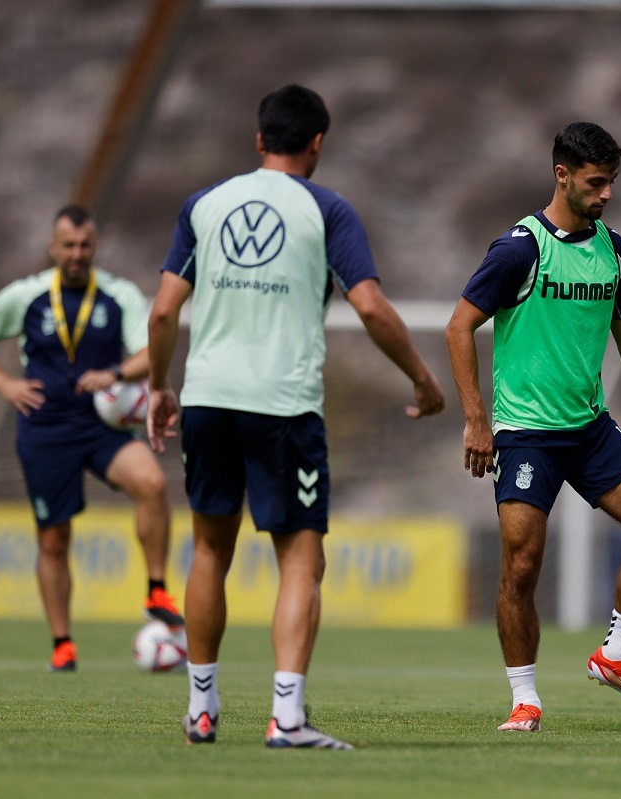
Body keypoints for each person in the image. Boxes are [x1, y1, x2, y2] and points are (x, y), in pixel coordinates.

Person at [146, 84, 444, 749]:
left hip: (207, 398)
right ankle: (286, 717)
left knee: (209, 550)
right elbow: (368, 306)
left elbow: (163, 311)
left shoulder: (204, 205)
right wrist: (423, 379)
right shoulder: (326, 208)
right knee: (301, 561)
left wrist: (159, 386)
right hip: (282, 405)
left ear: (258, 140)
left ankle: (201, 708)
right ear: (318, 143)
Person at [445, 121, 621, 733]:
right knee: (522, 565)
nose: (607, 193)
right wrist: (477, 420)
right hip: (525, 433)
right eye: (596, 182)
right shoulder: (518, 249)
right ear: (563, 175)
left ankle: (615, 655)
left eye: (611, 182)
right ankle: (525, 698)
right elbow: (457, 328)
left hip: (589, 427)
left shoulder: (614, 250)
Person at [0, 205, 183, 673]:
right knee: (54, 539)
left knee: (153, 484)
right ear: (53, 248)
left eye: (85, 246)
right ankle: (62, 643)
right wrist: (4, 384)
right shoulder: (28, 295)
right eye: (69, 246)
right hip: (45, 429)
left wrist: (116, 374)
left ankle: (156, 589)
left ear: (95, 247)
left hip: (103, 426)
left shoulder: (118, 295)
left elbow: (150, 351)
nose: (77, 255)